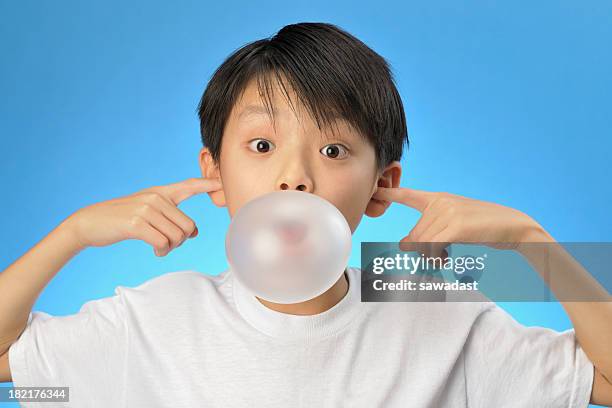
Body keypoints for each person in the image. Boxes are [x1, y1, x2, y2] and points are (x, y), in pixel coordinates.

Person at [1, 22, 610, 407]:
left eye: (333, 149)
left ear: (381, 186)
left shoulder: (430, 304)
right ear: (214, 171)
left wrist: (534, 244)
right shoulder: (158, 316)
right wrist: (73, 232)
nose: (294, 176)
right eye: (262, 146)